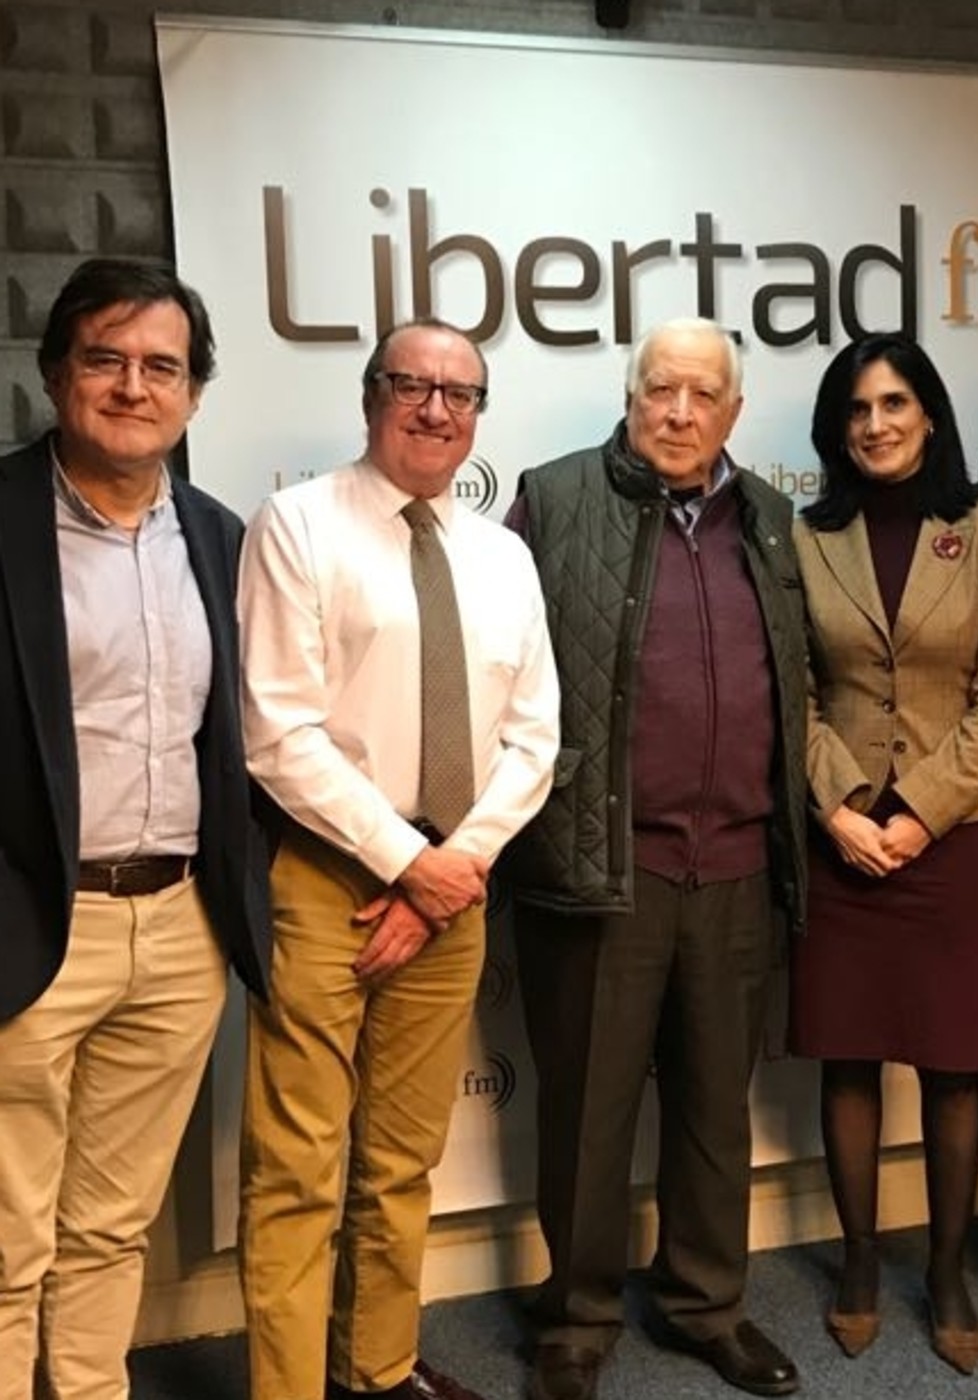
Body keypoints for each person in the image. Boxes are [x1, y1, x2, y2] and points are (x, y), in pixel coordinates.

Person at [237, 318, 559, 1400]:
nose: (435, 409)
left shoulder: (502, 556)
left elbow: (535, 739)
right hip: (326, 877)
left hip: (454, 883)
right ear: (371, 396)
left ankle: (373, 1371)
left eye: (459, 393)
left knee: (402, 1160)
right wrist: (402, 863)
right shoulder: (297, 525)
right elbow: (277, 730)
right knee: (296, 1167)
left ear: (478, 416)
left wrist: (449, 869)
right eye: (411, 385)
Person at [503, 317, 808, 1400]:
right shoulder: (553, 497)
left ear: (734, 411)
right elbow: (500, 670)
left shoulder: (769, 516)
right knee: (588, 1113)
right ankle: (577, 1317)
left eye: (702, 394)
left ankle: (705, 1303)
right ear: (629, 397)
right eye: (659, 390)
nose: (678, 413)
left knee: (716, 1111)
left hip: (733, 868)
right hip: (601, 867)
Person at [0, 258, 272, 1400]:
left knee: (112, 1226)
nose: (132, 386)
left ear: (194, 393)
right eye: (105, 359)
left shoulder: (217, 535)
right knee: (5, 1241)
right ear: (56, 372)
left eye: (162, 366)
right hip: (29, 924)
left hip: (175, 930)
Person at [790, 333, 978, 1375]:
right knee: (847, 1055)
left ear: (929, 416)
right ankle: (857, 1260)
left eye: (894, 403)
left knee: (951, 1063)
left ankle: (944, 1270)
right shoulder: (804, 537)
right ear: (835, 428)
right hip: (843, 839)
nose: (876, 424)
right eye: (857, 409)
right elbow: (793, 691)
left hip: (959, 837)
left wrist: (923, 812)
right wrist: (841, 806)